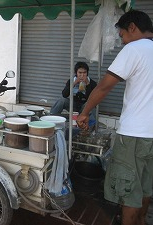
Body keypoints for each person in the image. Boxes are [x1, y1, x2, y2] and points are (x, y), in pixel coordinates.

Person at [76, 10, 153, 225]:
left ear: (132, 27)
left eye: (121, 35)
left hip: (134, 136)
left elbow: (103, 87)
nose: (121, 40)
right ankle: (142, 221)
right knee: (146, 187)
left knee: (129, 191)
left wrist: (84, 112)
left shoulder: (135, 49)